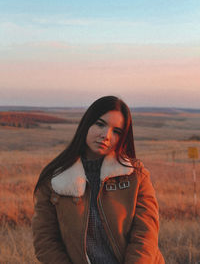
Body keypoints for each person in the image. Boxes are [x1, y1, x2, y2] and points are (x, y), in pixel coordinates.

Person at [32, 96, 165, 264]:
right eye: (100, 124)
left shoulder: (135, 175)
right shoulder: (53, 178)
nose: (106, 135)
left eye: (116, 132)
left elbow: (145, 236)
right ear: (86, 123)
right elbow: (45, 240)